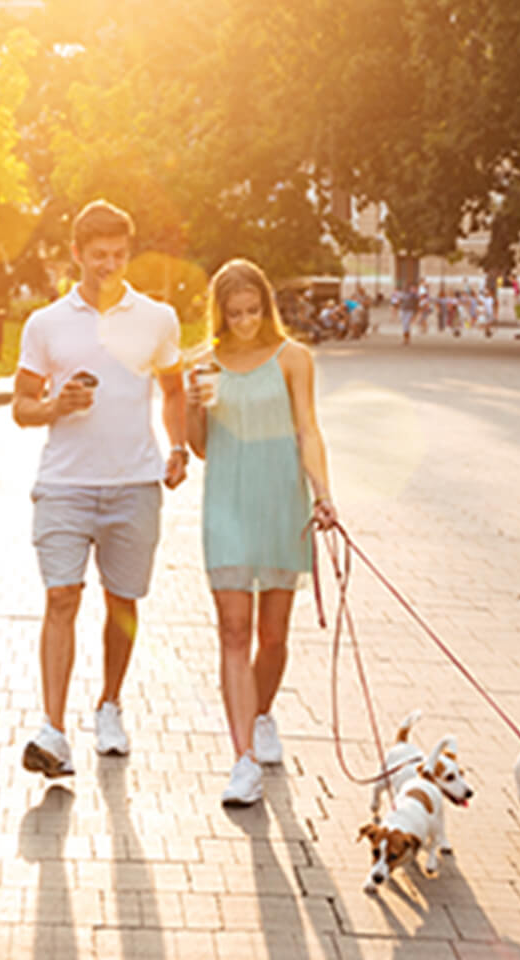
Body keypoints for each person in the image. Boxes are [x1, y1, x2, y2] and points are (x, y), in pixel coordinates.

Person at [11, 199, 189, 778]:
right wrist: (55, 405)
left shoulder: (157, 318)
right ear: (76, 254)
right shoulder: (46, 324)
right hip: (64, 484)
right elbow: (20, 407)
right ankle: (53, 731)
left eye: (118, 255)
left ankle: (110, 704)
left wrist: (179, 447)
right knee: (61, 597)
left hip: (134, 484)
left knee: (123, 601)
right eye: (98, 256)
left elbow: (174, 390)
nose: (109, 265)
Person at [185, 258, 338, 807]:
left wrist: (323, 494)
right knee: (233, 630)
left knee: (273, 636)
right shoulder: (203, 363)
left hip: (280, 502)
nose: (246, 322)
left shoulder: (294, 358)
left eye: (254, 311)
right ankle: (243, 759)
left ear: (265, 306)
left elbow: (307, 428)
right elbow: (200, 445)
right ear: (220, 313)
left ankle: (263, 712)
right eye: (235, 313)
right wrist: (192, 405)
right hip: (226, 502)